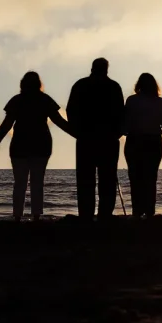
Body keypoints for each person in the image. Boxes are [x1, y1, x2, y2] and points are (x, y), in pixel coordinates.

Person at [0, 72, 74, 220]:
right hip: (41, 145)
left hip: (20, 145)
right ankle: (36, 216)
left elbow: (7, 124)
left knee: (20, 183)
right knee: (37, 181)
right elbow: (59, 121)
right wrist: (76, 134)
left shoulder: (17, 100)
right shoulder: (44, 99)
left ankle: (17, 215)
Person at [66, 58, 125, 219]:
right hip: (108, 139)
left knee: (85, 180)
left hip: (86, 138)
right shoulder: (114, 87)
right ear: (106, 69)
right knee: (107, 179)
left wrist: (77, 131)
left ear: (92, 68)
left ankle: (86, 215)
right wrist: (117, 133)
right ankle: (105, 214)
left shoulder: (80, 85)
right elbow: (121, 113)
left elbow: (70, 110)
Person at [121, 73, 162, 217]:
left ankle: (137, 211)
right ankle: (149, 210)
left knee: (135, 177)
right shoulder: (159, 102)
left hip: (135, 141)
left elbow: (125, 123)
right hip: (153, 142)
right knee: (151, 178)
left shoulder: (132, 101)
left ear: (138, 85)